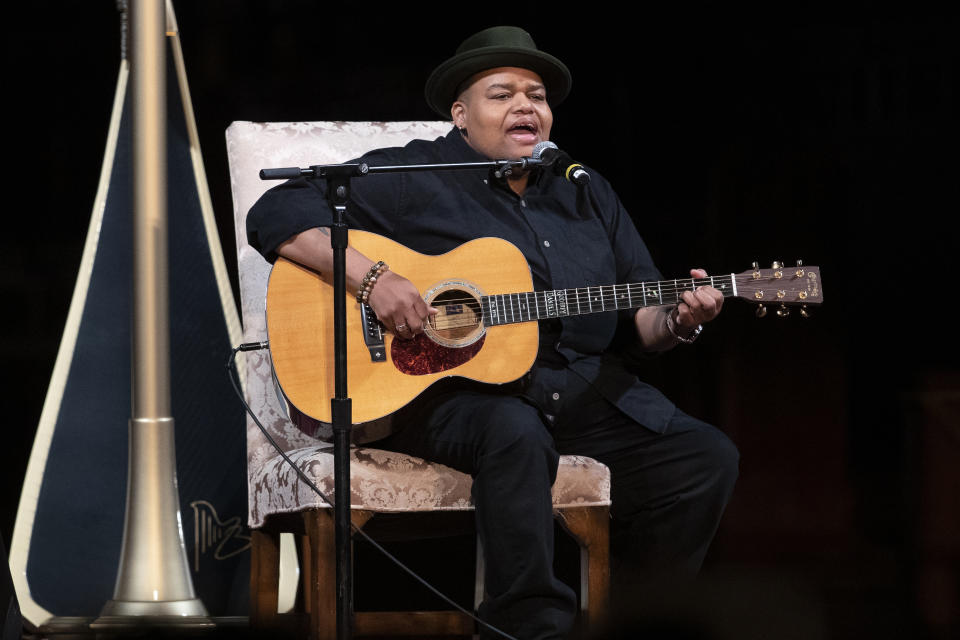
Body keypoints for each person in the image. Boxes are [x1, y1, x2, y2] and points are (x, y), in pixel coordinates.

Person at [247, 26, 739, 640]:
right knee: (514, 430)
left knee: (702, 457)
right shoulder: (414, 175)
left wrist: (680, 319)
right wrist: (373, 279)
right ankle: (528, 628)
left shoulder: (584, 190)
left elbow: (641, 320)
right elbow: (276, 212)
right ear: (461, 114)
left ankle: (632, 621)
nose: (525, 106)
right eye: (501, 94)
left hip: (578, 389)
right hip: (450, 396)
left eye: (535, 94)